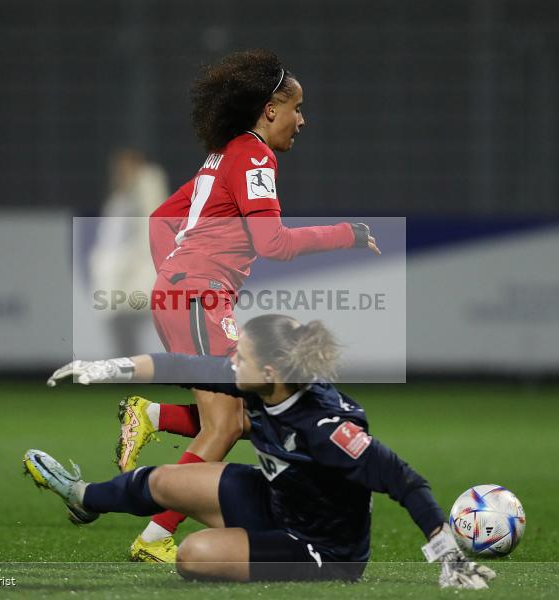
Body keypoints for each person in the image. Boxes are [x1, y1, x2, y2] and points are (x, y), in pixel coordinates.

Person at [110, 49, 381, 563]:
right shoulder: (255, 156)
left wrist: (175, 274)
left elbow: (160, 221)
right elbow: (273, 243)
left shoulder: (222, 156)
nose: (303, 119)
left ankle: (154, 416)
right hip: (198, 298)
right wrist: (348, 233)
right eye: (297, 107)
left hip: (190, 295)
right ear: (270, 108)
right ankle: (153, 537)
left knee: (251, 412)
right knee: (228, 423)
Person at [31, 315, 496, 588]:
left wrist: (447, 555)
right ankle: (82, 496)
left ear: (270, 370)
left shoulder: (328, 428)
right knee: (161, 480)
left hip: (322, 549)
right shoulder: (258, 382)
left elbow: (404, 480)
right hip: (275, 501)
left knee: (193, 556)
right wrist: (104, 367)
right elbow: (178, 363)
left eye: (242, 356)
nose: (232, 363)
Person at [89, 149, 168, 357]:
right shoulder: (119, 200)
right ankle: (129, 367)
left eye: (125, 167)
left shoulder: (145, 188)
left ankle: (135, 368)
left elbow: (152, 206)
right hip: (121, 274)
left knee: (127, 320)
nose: (120, 173)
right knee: (120, 323)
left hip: (139, 270)